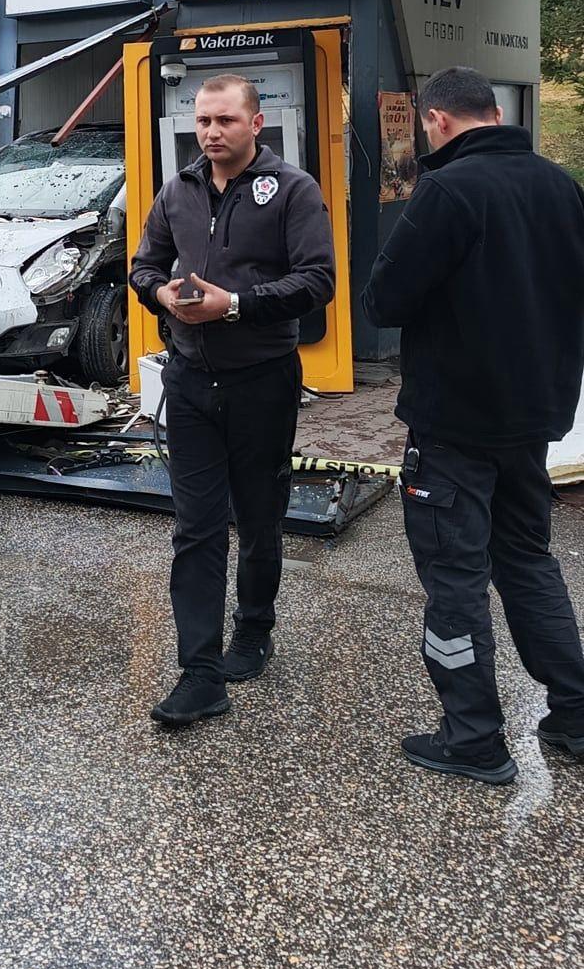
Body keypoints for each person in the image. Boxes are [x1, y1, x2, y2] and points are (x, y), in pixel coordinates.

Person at [362, 66, 584, 785]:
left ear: (436, 122)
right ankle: (577, 713)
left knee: (454, 579)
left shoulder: (449, 190)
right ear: (495, 112)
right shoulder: (561, 187)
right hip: (533, 421)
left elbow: (385, 300)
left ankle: (474, 738)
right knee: (526, 560)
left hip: (453, 425)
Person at [130, 73, 336, 726]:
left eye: (225, 121)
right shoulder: (178, 190)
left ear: (256, 123)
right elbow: (142, 266)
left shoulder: (294, 192)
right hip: (190, 381)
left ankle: (253, 628)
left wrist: (237, 305)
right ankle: (200, 672)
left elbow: (318, 282)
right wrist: (160, 294)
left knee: (258, 518)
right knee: (195, 528)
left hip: (261, 381)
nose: (212, 133)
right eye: (203, 122)